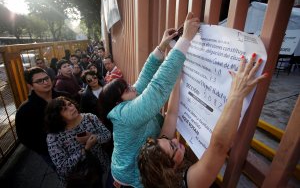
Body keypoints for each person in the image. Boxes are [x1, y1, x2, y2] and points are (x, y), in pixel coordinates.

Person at [98, 12, 200, 187]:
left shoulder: (129, 101)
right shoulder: (124, 115)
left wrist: (161, 46)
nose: (132, 86)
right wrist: (185, 41)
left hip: (141, 168)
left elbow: (145, 77)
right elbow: (157, 88)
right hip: (130, 178)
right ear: (118, 103)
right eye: (126, 89)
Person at [138, 54, 268, 188]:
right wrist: (237, 94)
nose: (175, 140)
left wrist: (176, 82)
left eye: (168, 139)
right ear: (169, 170)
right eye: (173, 146)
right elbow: (219, 147)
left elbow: (171, 114)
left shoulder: (160, 165)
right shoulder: (190, 183)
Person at [45, 96, 111, 186]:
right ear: (57, 116)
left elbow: (107, 135)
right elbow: (63, 168)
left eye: (70, 104)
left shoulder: (90, 118)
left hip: (100, 167)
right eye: (64, 109)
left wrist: (94, 138)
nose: (71, 108)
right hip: (79, 179)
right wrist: (85, 149)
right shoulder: (54, 137)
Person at [15, 67, 69, 168]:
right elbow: (24, 137)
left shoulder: (65, 97)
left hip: (77, 142)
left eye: (46, 78)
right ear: (30, 86)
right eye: (39, 81)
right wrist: (46, 149)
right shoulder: (25, 110)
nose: (45, 82)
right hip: (51, 153)